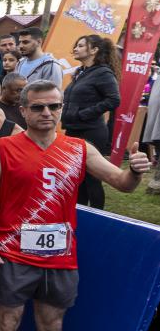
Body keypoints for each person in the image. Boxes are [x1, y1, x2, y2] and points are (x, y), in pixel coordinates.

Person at [0, 80, 154, 331]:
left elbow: (122, 184)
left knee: (52, 325)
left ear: (61, 109)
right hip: (14, 252)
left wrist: (134, 170)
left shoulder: (79, 148)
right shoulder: (4, 147)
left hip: (60, 256)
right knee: (6, 322)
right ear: (24, 111)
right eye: (38, 107)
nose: (47, 113)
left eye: (54, 107)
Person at [63, 35, 121, 209]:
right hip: (73, 130)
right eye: (76, 45)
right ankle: (80, 212)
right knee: (77, 177)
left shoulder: (103, 73)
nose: (75, 49)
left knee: (92, 178)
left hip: (91, 131)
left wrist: (84, 114)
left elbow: (113, 100)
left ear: (94, 50)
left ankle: (97, 214)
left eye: (81, 45)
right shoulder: (81, 72)